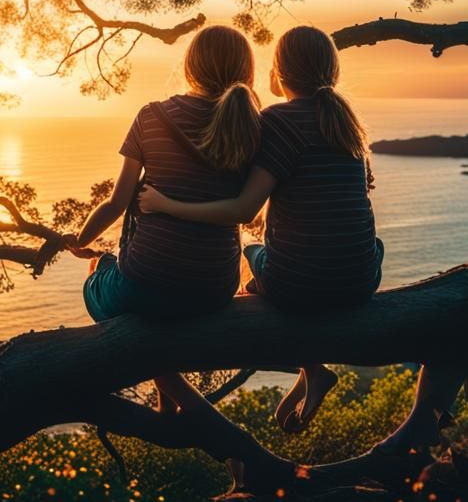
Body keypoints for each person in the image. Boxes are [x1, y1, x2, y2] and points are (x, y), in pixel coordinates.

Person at [139, 25, 383, 432]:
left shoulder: (278, 122)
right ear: (332, 72)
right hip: (361, 281)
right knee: (358, 246)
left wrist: (170, 205)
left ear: (278, 74)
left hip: (298, 287)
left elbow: (245, 207)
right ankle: (313, 370)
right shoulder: (347, 124)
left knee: (253, 252)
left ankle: (310, 365)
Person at [66, 24, 262, 413]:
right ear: (245, 70)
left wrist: (76, 239)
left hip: (146, 281)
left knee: (98, 275)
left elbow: (116, 204)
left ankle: (173, 399)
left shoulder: (151, 116)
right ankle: (169, 405)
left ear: (191, 67)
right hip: (214, 287)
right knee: (162, 295)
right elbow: (254, 206)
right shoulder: (254, 125)